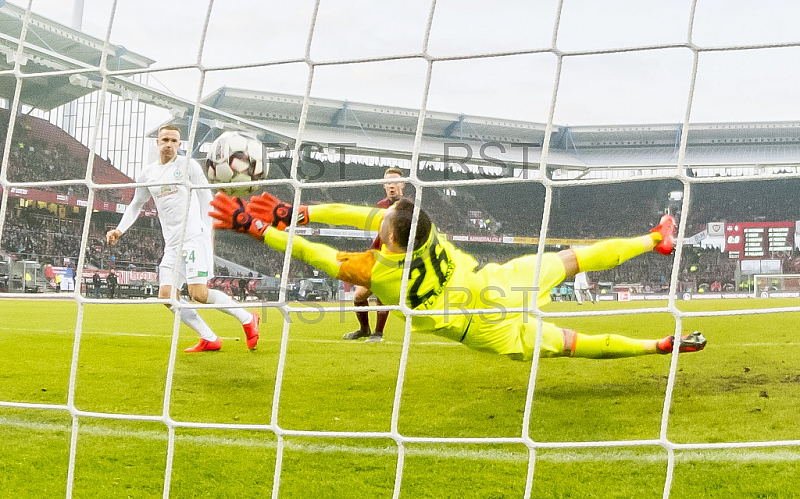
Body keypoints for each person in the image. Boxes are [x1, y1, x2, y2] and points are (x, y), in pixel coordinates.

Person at [209, 193, 707, 361]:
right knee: (574, 258)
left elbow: (311, 252)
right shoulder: (429, 231)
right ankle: (653, 241)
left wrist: (259, 228)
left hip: (482, 327)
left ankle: (656, 347)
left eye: (382, 225)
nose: (374, 222)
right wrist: (304, 209)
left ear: (395, 240)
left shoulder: (373, 270)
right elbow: (367, 216)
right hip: (498, 282)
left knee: (573, 344)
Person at [106, 125, 260, 353]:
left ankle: (248, 318)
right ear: (158, 142)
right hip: (172, 245)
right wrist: (119, 230)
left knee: (198, 294)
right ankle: (209, 338)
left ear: (179, 144)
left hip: (194, 238)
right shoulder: (148, 174)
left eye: (174, 140)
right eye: (165, 139)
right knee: (167, 297)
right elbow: (136, 205)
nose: (169, 144)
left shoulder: (189, 166)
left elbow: (207, 200)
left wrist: (208, 234)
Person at [344, 166, 406, 343]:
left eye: (395, 181)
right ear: (383, 186)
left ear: (403, 184)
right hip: (376, 256)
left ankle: (378, 334)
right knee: (359, 296)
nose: (391, 186)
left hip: (395, 259)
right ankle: (364, 329)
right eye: (388, 182)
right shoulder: (380, 206)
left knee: (381, 293)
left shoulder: (408, 208)